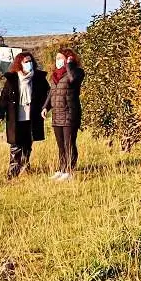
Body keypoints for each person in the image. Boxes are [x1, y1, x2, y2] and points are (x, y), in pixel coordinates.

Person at [0, 52, 49, 179]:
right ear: (19, 64)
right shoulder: (12, 78)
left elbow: (48, 94)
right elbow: (4, 97)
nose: (28, 63)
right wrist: (0, 114)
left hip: (32, 115)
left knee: (28, 143)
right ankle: (13, 170)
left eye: (30, 61)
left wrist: (46, 107)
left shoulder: (39, 78)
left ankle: (25, 167)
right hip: (16, 116)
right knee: (15, 144)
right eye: (25, 61)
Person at [42, 48, 85, 182]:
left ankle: (70, 171)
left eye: (61, 58)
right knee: (60, 145)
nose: (58, 61)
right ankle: (62, 169)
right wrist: (45, 107)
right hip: (57, 114)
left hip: (70, 113)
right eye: (57, 59)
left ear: (68, 59)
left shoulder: (77, 72)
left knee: (69, 144)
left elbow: (72, 79)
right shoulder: (55, 75)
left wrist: (70, 65)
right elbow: (52, 92)